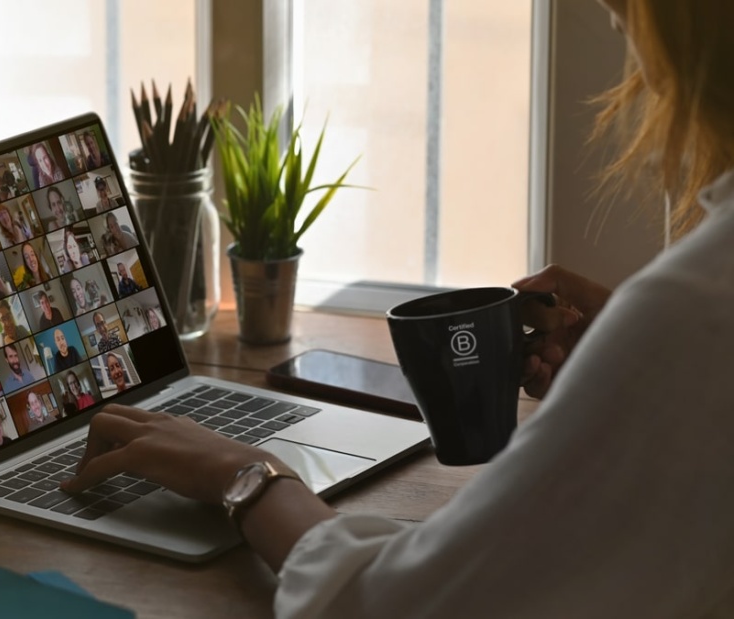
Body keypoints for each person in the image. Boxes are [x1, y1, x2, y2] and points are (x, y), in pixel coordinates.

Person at [61, 2, 734, 616]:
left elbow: (384, 605)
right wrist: (627, 366)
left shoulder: (694, 309)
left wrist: (247, 474)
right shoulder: (692, 308)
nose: (610, 13)